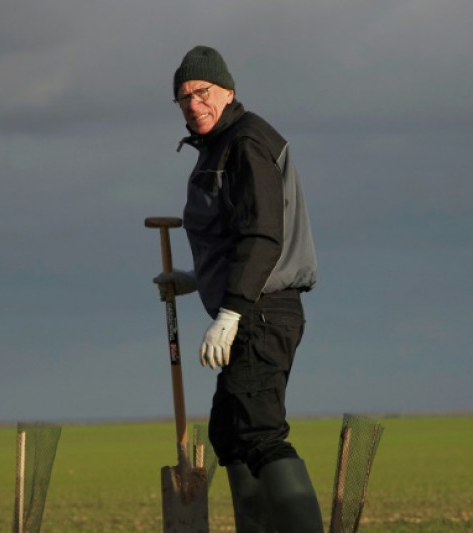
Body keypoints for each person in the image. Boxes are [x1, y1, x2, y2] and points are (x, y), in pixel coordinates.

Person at [154, 45, 323, 533]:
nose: (192, 104)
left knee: (261, 433)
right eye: (182, 98)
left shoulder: (247, 143)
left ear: (228, 91)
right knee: (230, 433)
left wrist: (228, 314)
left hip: (262, 312)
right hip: (251, 305)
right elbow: (234, 238)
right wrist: (194, 281)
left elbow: (264, 236)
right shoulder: (219, 147)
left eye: (201, 92)